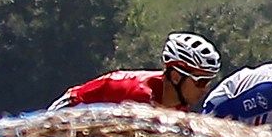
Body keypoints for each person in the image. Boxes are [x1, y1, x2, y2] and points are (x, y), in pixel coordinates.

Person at [57, 33, 226, 113]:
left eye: (209, 81)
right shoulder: (142, 96)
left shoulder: (180, 108)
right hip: (72, 107)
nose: (205, 89)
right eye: (201, 81)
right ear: (176, 76)